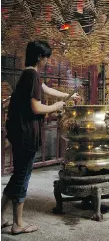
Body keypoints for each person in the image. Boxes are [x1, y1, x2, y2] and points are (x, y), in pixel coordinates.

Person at [1, 40, 80, 235]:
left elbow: (45, 89)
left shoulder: (27, 75)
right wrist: (57, 106)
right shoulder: (33, 76)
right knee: (22, 177)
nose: (47, 61)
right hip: (26, 134)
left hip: (18, 132)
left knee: (17, 175)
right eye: (46, 57)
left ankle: (1, 217)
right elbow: (36, 107)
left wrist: (68, 96)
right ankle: (17, 224)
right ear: (39, 57)